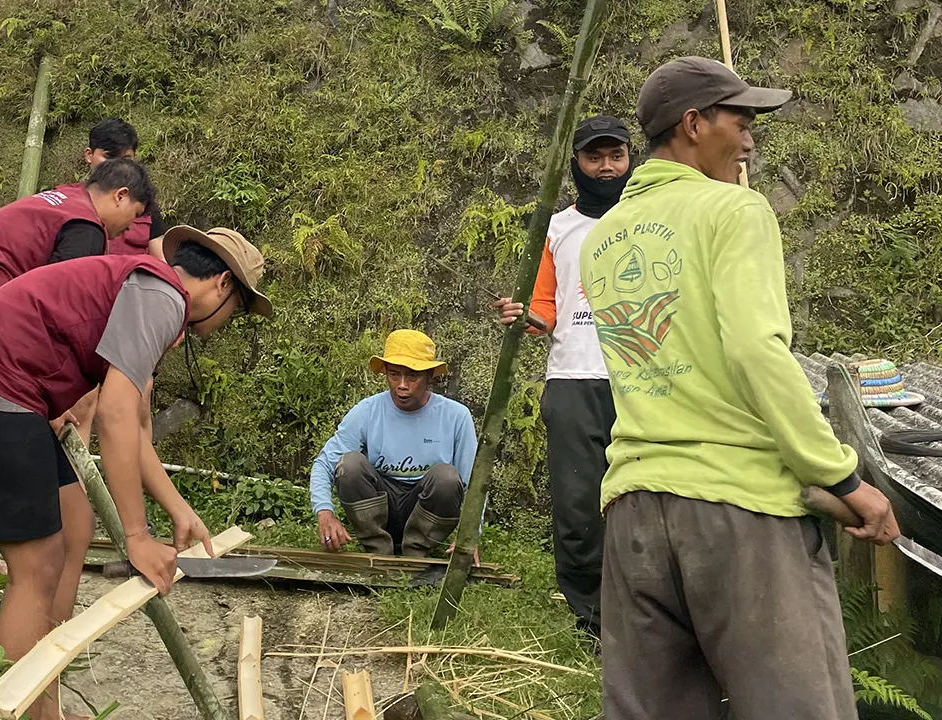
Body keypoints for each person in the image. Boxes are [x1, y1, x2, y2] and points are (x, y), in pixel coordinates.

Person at [578, 56, 898, 719]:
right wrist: (838, 478)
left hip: (633, 515)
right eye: (741, 121)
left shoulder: (602, 239)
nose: (750, 140)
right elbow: (755, 353)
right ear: (693, 125)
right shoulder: (734, 211)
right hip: (739, 518)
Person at [0, 226, 271, 720]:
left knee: (77, 526)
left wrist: (178, 509)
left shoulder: (150, 292)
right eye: (236, 307)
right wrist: (136, 535)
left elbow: (127, 423)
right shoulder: (161, 297)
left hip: (4, 389)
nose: (228, 319)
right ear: (220, 284)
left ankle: (44, 701)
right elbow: (112, 415)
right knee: (38, 565)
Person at [0, 157, 151, 567]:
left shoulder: (62, 201)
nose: (128, 229)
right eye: (134, 216)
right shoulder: (86, 229)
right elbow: (54, 312)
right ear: (121, 196)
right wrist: (49, 407)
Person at [494, 115, 632, 639]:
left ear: (629, 159)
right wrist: (527, 315)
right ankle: (592, 617)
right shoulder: (555, 227)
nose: (605, 166)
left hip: (642, 376)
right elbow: (546, 306)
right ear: (576, 163)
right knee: (579, 507)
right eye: (594, 157)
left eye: (614, 156)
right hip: (575, 379)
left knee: (647, 498)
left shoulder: (651, 217)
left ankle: (648, 606)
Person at [310, 330, 477, 557]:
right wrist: (325, 513)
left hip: (423, 508)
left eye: (412, 376)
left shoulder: (456, 416)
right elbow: (324, 464)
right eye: (394, 375)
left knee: (446, 477)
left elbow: (474, 484)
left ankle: (416, 550)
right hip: (381, 505)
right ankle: (378, 548)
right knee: (349, 464)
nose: (402, 385)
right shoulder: (368, 411)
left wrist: (469, 536)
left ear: (430, 376)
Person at [83, 117, 167, 258]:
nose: (117, 166)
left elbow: (161, 261)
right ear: (89, 155)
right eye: (109, 157)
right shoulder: (68, 201)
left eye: (126, 160)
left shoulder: (145, 207)